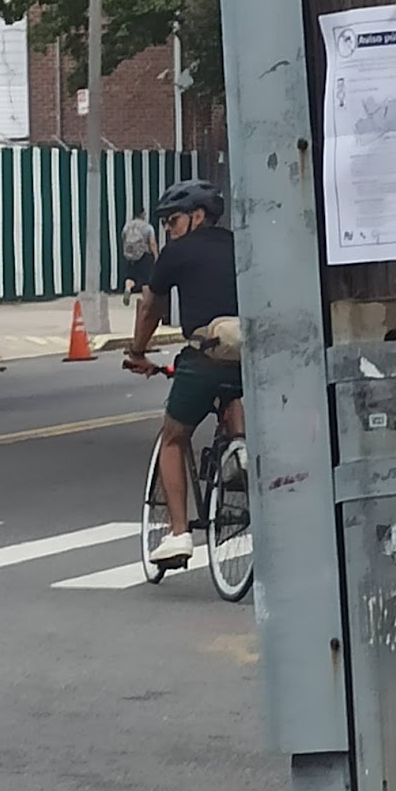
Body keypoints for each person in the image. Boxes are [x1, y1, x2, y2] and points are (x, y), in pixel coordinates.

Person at [123, 179, 242, 568]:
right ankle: (237, 454)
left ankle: (178, 534)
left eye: (173, 220)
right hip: (247, 356)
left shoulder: (176, 254)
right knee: (234, 387)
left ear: (197, 216)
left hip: (203, 356)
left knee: (174, 437)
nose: (169, 229)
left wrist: (138, 352)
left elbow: (150, 308)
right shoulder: (240, 245)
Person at [120, 213, 159, 296]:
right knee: (146, 281)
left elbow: (123, 238)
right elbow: (152, 243)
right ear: (143, 215)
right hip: (144, 256)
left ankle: (128, 288)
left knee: (130, 277)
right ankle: (146, 300)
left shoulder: (127, 226)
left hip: (130, 256)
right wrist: (156, 256)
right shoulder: (147, 227)